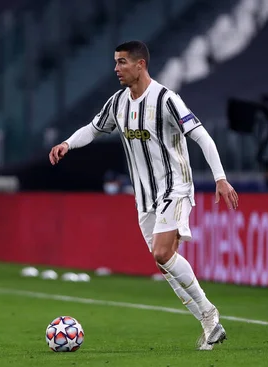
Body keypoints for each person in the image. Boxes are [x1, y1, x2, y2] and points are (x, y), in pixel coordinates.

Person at [49, 41, 239, 351]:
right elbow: (93, 129)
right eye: (115, 62)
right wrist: (68, 144)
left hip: (175, 188)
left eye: (122, 62)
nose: (116, 68)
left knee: (162, 253)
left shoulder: (166, 99)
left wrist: (220, 178)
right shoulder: (118, 103)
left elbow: (201, 136)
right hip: (145, 197)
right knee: (164, 264)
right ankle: (210, 324)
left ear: (140, 65)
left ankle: (209, 312)